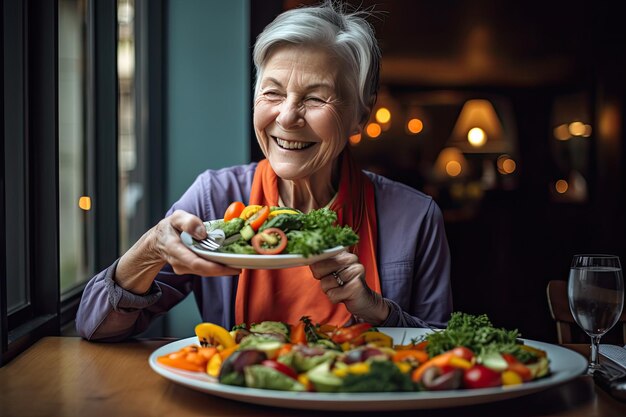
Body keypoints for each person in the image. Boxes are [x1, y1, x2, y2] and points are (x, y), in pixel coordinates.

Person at [76, 0, 452, 341]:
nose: (287, 117)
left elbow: (445, 354)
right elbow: (96, 327)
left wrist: (380, 311)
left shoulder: (414, 216)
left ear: (359, 117)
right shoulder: (214, 197)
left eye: (316, 98)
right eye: (273, 93)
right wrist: (151, 248)